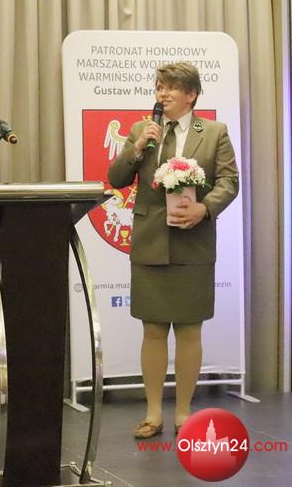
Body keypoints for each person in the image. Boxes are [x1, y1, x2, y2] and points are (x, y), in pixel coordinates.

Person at [108, 62, 239, 438]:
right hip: (151, 241)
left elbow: (229, 181)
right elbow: (117, 178)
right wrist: (137, 148)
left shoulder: (213, 132)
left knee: (189, 330)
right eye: (159, 87)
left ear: (191, 94)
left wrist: (205, 208)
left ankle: (183, 414)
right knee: (152, 330)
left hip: (193, 243)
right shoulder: (141, 130)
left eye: (170, 88)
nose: (162, 94)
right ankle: (153, 414)